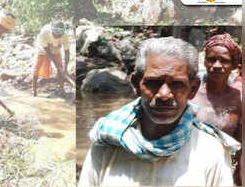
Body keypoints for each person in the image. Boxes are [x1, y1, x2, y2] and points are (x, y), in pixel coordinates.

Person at [78, 37, 240, 186]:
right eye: (153, 83)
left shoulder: (211, 151)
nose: (164, 95)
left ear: (193, 89)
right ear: (136, 84)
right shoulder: (106, 146)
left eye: (177, 84)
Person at [191, 33, 242, 186]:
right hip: (190, 167)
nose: (216, 65)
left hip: (222, 169)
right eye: (211, 59)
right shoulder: (190, 93)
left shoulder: (239, 100)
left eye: (224, 61)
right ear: (205, 61)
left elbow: (240, 143)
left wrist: (238, 177)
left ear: (234, 66)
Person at [33, 21, 70, 97]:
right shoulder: (44, 33)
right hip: (43, 49)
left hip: (56, 48)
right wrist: (56, 65)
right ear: (52, 31)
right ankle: (34, 91)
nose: (57, 35)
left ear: (62, 32)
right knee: (37, 68)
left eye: (59, 33)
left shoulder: (64, 36)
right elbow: (47, 51)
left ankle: (61, 89)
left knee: (61, 69)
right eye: (55, 33)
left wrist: (65, 69)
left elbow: (67, 52)